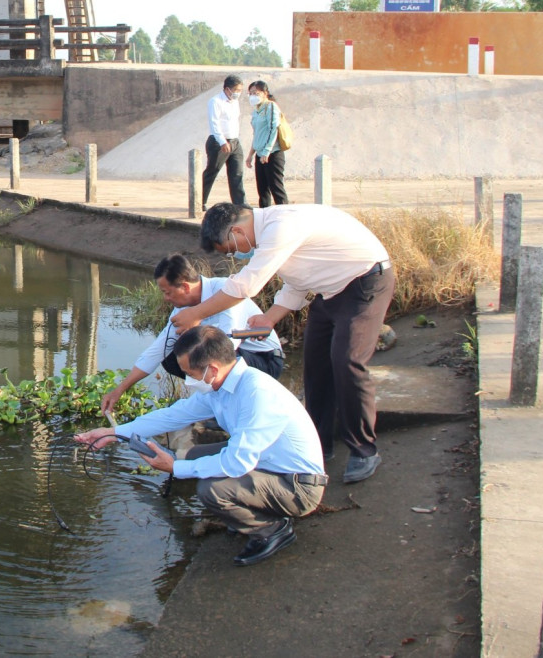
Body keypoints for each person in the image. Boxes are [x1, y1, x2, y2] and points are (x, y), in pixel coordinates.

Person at [171, 203, 395, 485]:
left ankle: (364, 450)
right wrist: (270, 318)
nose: (236, 255)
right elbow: (298, 282)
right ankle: (319, 444)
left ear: (237, 231)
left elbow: (245, 285)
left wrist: (196, 313)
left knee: (347, 361)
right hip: (330, 293)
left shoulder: (281, 226)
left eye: (230, 249)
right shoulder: (271, 236)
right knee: (316, 366)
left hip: (365, 282)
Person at [76, 326, 327, 567]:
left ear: (212, 369)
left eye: (191, 374)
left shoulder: (257, 394)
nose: (188, 381)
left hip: (298, 486)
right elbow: (172, 416)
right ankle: (252, 510)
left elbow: (236, 463)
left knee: (212, 490)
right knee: (192, 456)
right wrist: (114, 433)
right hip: (266, 463)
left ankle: (272, 530)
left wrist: (175, 468)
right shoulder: (221, 387)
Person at [100, 253, 284, 417]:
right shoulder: (182, 309)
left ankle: (229, 407)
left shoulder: (226, 292)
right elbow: (157, 350)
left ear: (185, 287)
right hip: (228, 358)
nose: (165, 298)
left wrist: (196, 330)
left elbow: (227, 348)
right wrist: (119, 390)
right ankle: (214, 403)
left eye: (167, 292)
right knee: (171, 355)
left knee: (206, 352)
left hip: (263, 359)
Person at [200, 74, 247, 208]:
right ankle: (200, 201)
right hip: (219, 142)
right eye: (236, 90)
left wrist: (234, 139)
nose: (238, 93)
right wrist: (222, 141)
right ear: (227, 89)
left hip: (234, 141)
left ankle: (240, 204)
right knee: (212, 171)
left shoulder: (235, 102)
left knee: (237, 173)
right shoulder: (215, 102)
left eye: (240, 90)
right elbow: (214, 123)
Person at [244, 80, 288, 208]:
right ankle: (264, 215)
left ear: (265, 93)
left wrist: (267, 151)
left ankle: (284, 213)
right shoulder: (256, 111)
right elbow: (257, 134)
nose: (253, 96)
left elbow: (273, 129)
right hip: (260, 154)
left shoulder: (271, 106)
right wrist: (251, 154)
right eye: (251, 93)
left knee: (276, 188)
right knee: (262, 190)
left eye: (256, 93)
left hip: (272, 154)